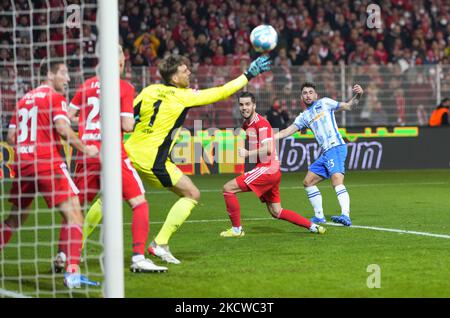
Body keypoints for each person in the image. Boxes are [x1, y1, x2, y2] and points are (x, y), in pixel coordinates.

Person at [82, 54, 272, 264]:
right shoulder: (184, 96)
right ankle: (160, 243)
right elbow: (221, 92)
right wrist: (248, 74)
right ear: (174, 77)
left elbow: (127, 117)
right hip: (153, 161)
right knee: (191, 194)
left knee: (107, 198)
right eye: (184, 70)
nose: (189, 72)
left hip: (127, 153)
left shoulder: (149, 90)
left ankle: (76, 248)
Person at [58, 46, 167, 273]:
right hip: (113, 154)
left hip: (87, 154)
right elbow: (127, 125)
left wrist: (88, 127)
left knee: (75, 208)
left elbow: (67, 117)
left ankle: (65, 257)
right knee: (139, 203)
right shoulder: (124, 87)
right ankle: (138, 258)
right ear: (120, 62)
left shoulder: (86, 86)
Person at [0, 60, 100, 288]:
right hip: (49, 165)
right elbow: (64, 130)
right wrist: (86, 148)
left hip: (24, 166)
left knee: (15, 219)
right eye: (63, 73)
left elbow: (11, 137)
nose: (67, 79)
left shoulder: (24, 100)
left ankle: (67, 264)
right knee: (75, 216)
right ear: (49, 74)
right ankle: (72, 272)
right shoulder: (55, 98)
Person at [220, 92, 326, 237]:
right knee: (277, 212)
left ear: (254, 105)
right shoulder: (247, 125)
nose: (244, 108)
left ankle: (236, 230)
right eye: (241, 104)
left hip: (267, 170)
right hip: (271, 171)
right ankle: (313, 226)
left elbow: (268, 149)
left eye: (247, 104)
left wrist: (247, 154)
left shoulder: (261, 123)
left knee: (228, 189)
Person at [275, 82, 364, 226]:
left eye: (311, 92)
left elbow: (349, 106)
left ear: (316, 95)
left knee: (336, 180)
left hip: (336, 147)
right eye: (305, 93)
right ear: (301, 97)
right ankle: (319, 216)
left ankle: (345, 215)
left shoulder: (325, 103)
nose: (308, 95)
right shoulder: (303, 117)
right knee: (308, 182)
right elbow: (286, 131)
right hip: (326, 153)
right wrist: (270, 138)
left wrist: (358, 95)